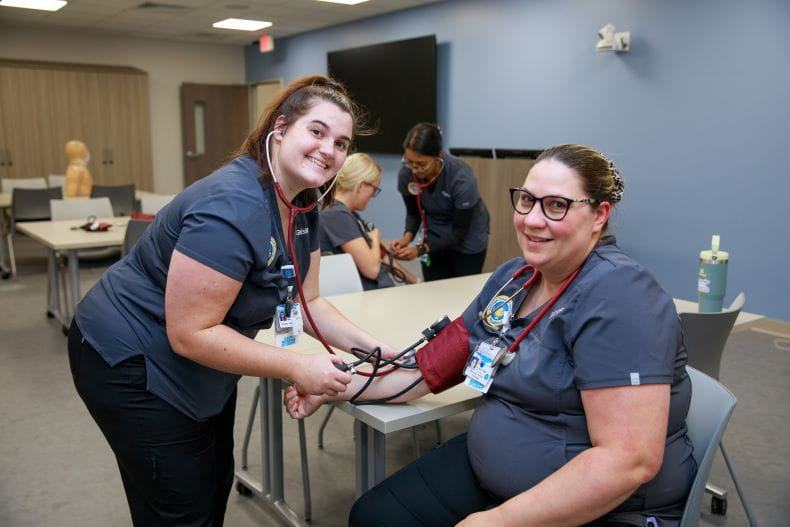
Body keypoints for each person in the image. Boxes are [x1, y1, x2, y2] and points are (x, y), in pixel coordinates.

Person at [286, 144, 696, 526]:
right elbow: (427, 369)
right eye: (527, 200)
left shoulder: (620, 297)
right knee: (373, 517)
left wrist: (499, 521)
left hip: (602, 507)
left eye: (557, 206)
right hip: (492, 473)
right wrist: (335, 384)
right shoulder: (514, 279)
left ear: (600, 215)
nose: (533, 219)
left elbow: (628, 462)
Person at [67, 75, 399, 526]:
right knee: (180, 507)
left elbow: (310, 300)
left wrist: (373, 349)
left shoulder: (304, 204)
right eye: (317, 132)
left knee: (212, 483)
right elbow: (189, 333)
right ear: (280, 130)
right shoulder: (231, 206)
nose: (329, 149)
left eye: (341, 143)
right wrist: (297, 366)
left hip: (200, 361)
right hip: (129, 355)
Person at [391, 122, 490, 281]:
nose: (414, 169)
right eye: (410, 162)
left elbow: (459, 234)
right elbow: (414, 213)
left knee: (462, 292)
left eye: (421, 164)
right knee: (433, 290)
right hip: (434, 233)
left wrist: (420, 250)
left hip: (467, 238)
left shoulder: (461, 178)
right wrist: (407, 237)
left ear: (439, 155)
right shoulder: (407, 173)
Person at [320, 153, 416, 290]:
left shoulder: (348, 214)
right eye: (374, 189)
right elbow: (372, 270)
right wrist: (375, 238)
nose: (373, 196)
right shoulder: (336, 216)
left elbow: (383, 257)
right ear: (361, 186)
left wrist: (415, 281)